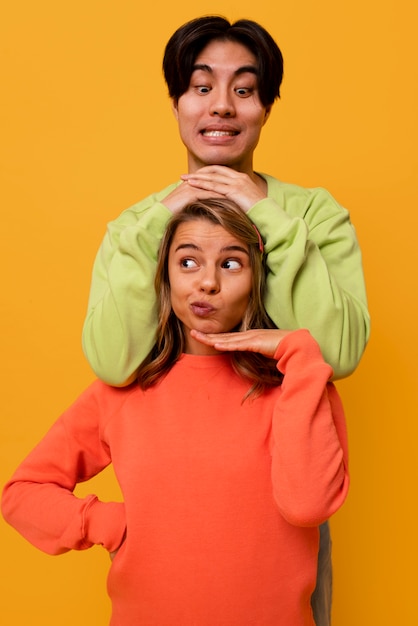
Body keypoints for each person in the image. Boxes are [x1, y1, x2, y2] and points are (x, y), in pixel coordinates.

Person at [81, 16, 370, 624]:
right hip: (172, 501)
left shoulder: (314, 215)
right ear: (177, 102)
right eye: (201, 85)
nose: (222, 106)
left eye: (244, 88)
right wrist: (160, 220)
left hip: (286, 500)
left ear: (266, 106)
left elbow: (338, 352)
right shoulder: (136, 227)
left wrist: (268, 217)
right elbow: (114, 361)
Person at [2, 198, 349, 626]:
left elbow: (308, 506)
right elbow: (22, 493)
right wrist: (109, 524)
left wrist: (299, 352)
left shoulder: (301, 385)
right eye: (188, 262)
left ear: (257, 281)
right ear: (164, 278)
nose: (207, 282)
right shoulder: (122, 392)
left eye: (231, 264)